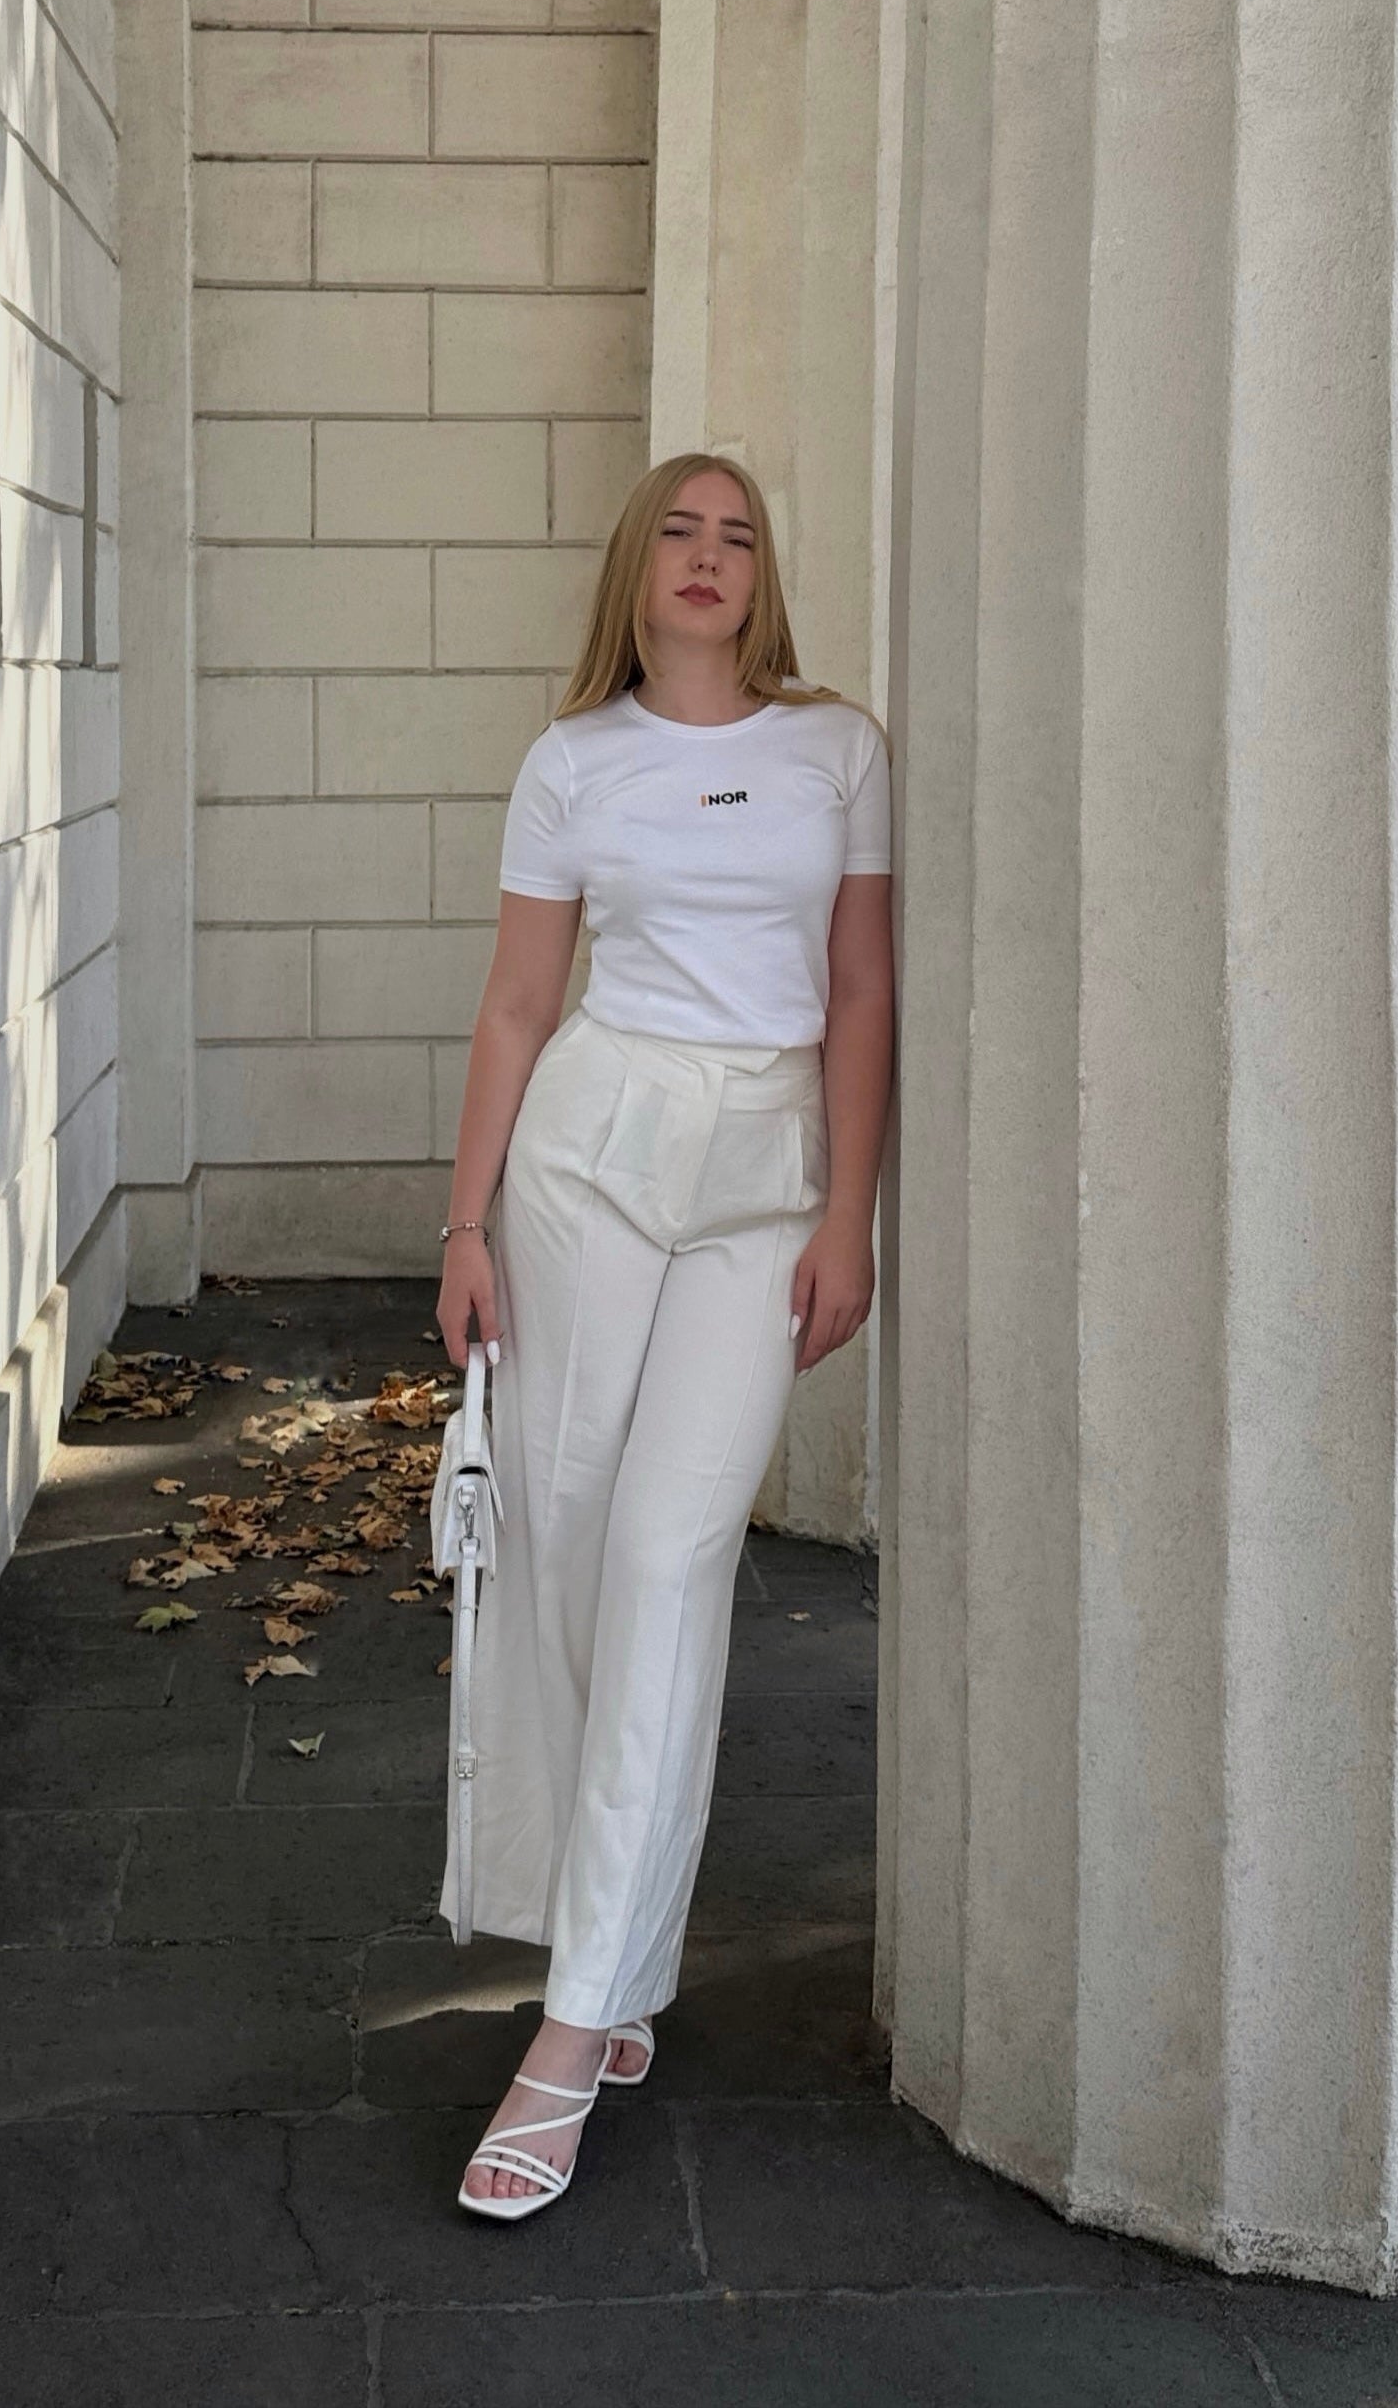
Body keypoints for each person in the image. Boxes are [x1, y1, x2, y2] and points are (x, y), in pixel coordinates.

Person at [433, 452, 896, 2218]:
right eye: (681, 535)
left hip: (767, 1179)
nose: (710, 560)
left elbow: (862, 992)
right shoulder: (572, 764)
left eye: (742, 535)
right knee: (557, 1535)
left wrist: (851, 1211)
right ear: (636, 572)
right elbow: (517, 1003)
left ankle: (570, 2029)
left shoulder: (838, 748)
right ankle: (606, 1940)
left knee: (669, 1548)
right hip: (586, 1160)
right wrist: (464, 1222)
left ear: (766, 575)